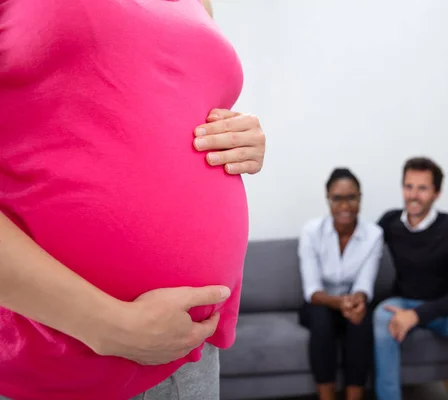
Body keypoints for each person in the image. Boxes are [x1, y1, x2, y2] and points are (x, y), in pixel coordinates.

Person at [0, 1, 266, 399]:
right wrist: (106, 325)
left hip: (191, 355)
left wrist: (240, 137)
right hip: (60, 360)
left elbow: (164, 107)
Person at [373, 157, 448, 400]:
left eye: (422, 188)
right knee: (382, 317)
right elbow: (362, 255)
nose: (413, 195)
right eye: (408, 186)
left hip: (444, 310)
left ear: (437, 193)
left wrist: (416, 315)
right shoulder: (390, 222)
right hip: (403, 301)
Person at [298, 168, 384, 400]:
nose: (345, 206)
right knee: (321, 321)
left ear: (360, 198)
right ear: (328, 199)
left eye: (351, 197)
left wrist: (357, 301)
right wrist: (340, 302)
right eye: (337, 198)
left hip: (351, 303)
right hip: (321, 303)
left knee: (361, 321)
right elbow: (312, 290)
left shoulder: (374, 234)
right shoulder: (311, 232)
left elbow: (365, 283)